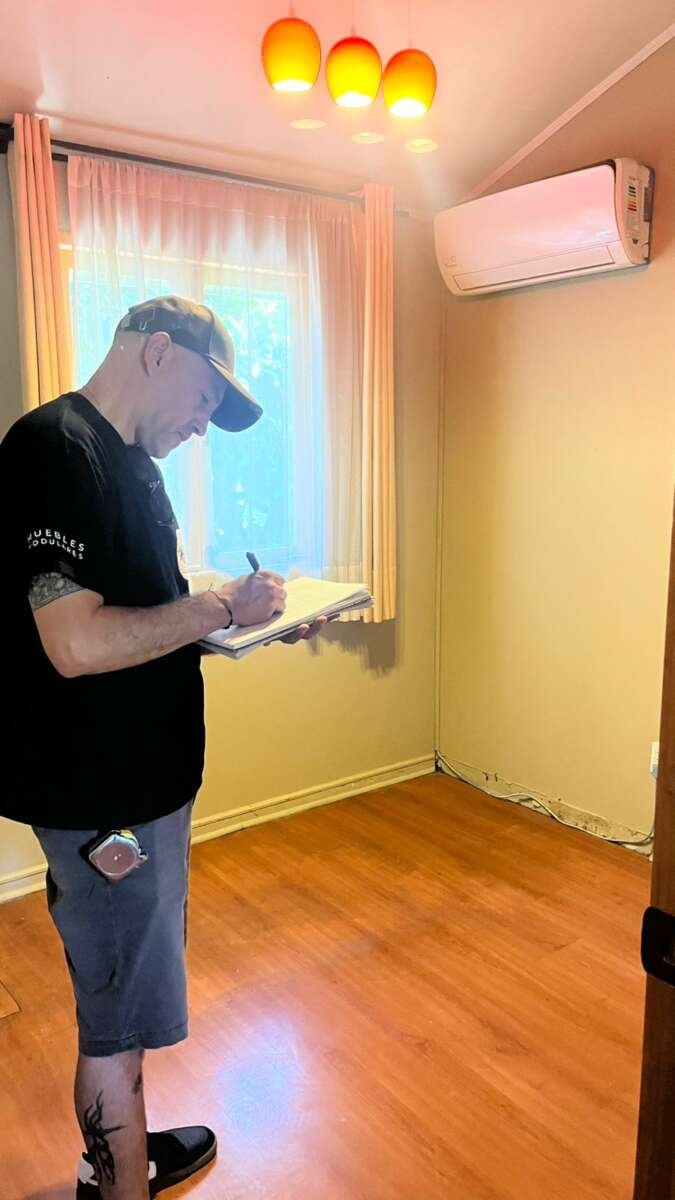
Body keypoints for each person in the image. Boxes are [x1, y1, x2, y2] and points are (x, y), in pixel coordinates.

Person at [0, 296, 328, 1200]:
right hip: (100, 799)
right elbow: (75, 643)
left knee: (129, 998)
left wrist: (247, 623)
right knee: (114, 1020)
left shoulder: (132, 464)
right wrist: (220, 605)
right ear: (156, 352)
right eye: (205, 400)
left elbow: (144, 622)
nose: (203, 425)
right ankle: (118, 1182)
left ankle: (122, 1152)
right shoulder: (55, 451)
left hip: (146, 783)